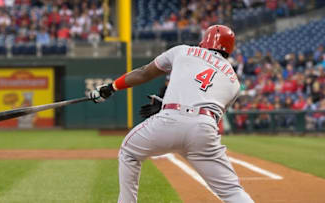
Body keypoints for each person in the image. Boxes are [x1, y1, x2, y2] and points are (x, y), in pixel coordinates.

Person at [90, 25, 254, 203]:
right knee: (231, 191)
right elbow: (208, 108)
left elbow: (145, 73)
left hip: (170, 120)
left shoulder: (184, 51)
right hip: (204, 129)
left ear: (204, 41)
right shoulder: (234, 82)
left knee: (129, 152)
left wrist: (112, 87)